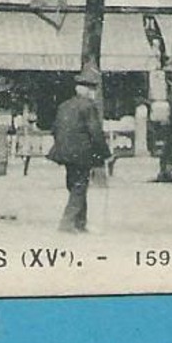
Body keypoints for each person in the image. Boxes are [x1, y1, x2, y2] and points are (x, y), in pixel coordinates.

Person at [48, 66, 109, 233]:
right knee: (79, 187)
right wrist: (104, 153)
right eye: (93, 89)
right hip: (82, 153)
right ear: (89, 90)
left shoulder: (64, 105)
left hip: (64, 152)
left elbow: (55, 128)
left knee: (74, 185)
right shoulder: (88, 106)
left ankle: (80, 223)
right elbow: (95, 132)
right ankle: (67, 223)